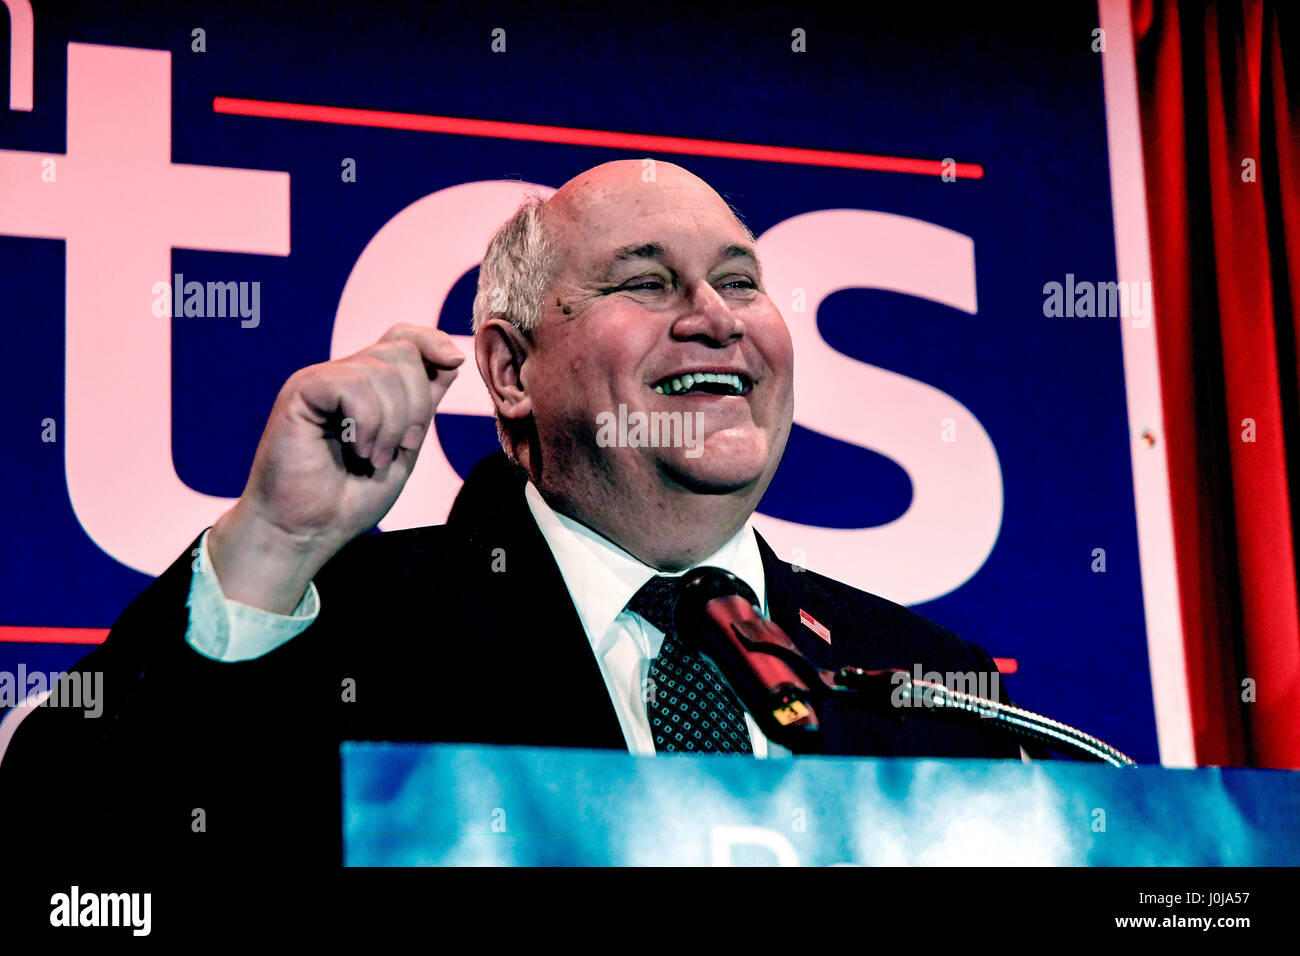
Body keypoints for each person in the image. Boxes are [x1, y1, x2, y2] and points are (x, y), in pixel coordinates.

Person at [1, 161, 1020, 865]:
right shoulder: (340, 627)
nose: (716, 314)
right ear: (510, 366)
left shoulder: (932, 692)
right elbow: (69, 849)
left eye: (741, 281)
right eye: (649, 280)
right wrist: (272, 546)